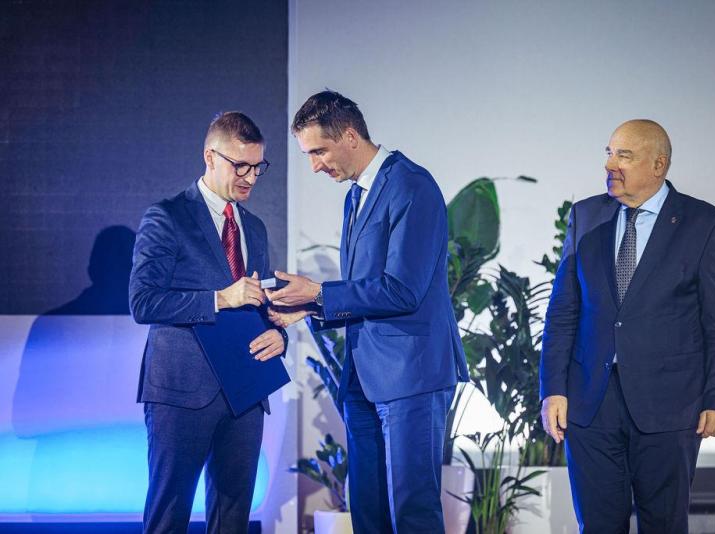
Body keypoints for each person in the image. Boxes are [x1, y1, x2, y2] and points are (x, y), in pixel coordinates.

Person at [266, 90, 469, 533]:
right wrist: (311, 305)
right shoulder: (355, 195)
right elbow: (366, 288)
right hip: (363, 378)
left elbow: (402, 290)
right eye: (308, 155)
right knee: (369, 513)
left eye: (319, 151)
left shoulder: (412, 185)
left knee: (412, 513)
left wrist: (319, 292)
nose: (315, 165)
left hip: (411, 377)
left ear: (350, 136)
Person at [539, 119, 715, 533]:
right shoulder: (585, 215)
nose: (610, 164)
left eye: (624, 156)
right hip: (591, 403)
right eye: (609, 153)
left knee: (664, 525)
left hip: (670, 406)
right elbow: (563, 310)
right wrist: (553, 389)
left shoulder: (705, 224)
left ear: (658, 165)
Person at [129, 111, 286, 533]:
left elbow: (258, 303)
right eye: (241, 166)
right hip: (181, 392)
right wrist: (219, 298)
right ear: (210, 157)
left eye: (258, 167)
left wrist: (278, 334)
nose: (251, 178)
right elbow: (144, 302)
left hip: (246, 390)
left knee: (234, 517)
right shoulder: (167, 217)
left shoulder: (254, 227)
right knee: (169, 514)